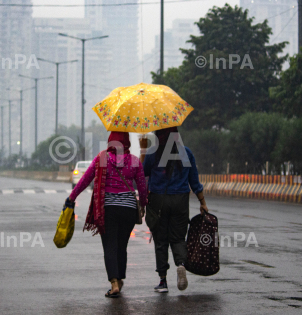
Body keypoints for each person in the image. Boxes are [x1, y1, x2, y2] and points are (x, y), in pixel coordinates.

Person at [68, 132, 148, 298]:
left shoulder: (102, 158)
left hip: (108, 209)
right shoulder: (134, 160)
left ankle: (114, 283)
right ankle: (120, 278)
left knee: (110, 246)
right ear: (126, 142)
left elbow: (85, 180)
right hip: (128, 209)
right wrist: (143, 204)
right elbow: (142, 187)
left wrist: (72, 197)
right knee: (121, 246)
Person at [143, 126, 208, 293]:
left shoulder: (152, 153)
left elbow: (143, 174)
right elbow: (194, 181)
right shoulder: (186, 152)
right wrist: (203, 202)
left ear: (158, 135)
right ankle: (181, 264)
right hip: (180, 200)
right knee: (178, 238)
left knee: (160, 240)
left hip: (159, 200)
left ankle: (163, 280)